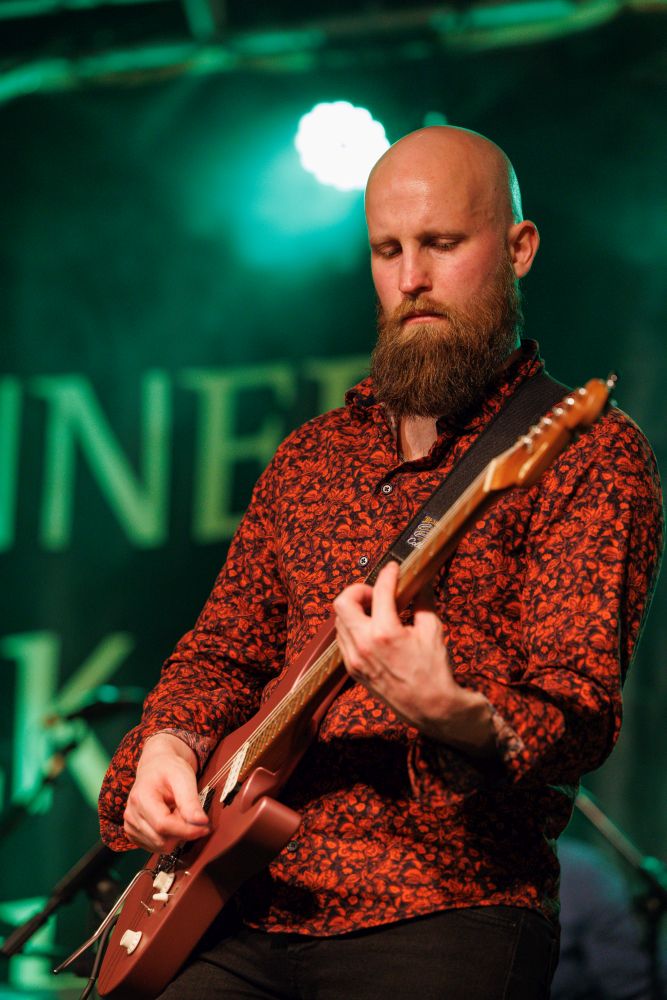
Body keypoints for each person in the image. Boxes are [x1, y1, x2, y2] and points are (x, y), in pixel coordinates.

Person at [98, 126, 663, 999]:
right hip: (238, 904)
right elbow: (221, 654)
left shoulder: (586, 453)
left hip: (444, 907)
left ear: (518, 248)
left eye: (441, 244)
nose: (410, 279)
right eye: (387, 250)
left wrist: (454, 713)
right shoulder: (311, 457)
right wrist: (168, 745)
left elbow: (577, 708)